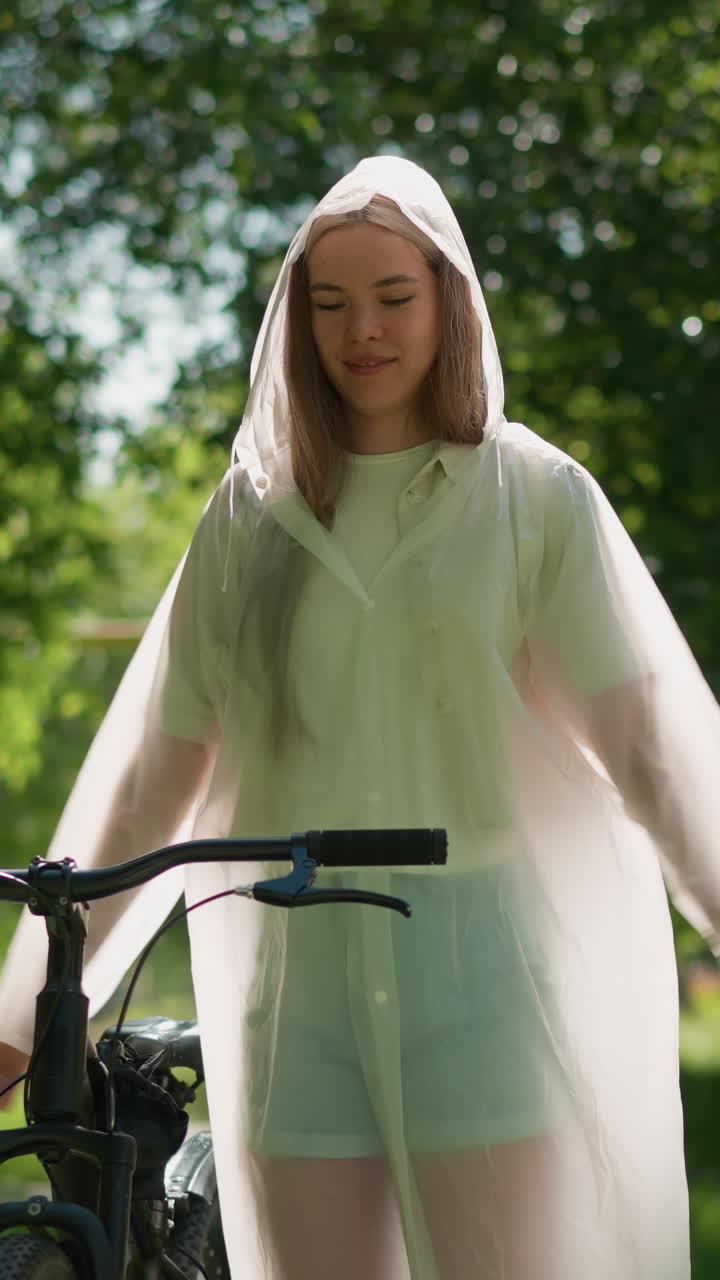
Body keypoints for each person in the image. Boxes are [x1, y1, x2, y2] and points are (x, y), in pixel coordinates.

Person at [1, 155, 719, 1280]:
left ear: (449, 299)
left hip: (484, 991)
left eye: (393, 296)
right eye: (328, 304)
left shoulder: (533, 500)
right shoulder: (251, 519)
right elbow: (157, 764)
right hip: (297, 1013)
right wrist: (31, 999)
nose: (362, 331)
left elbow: (653, 746)